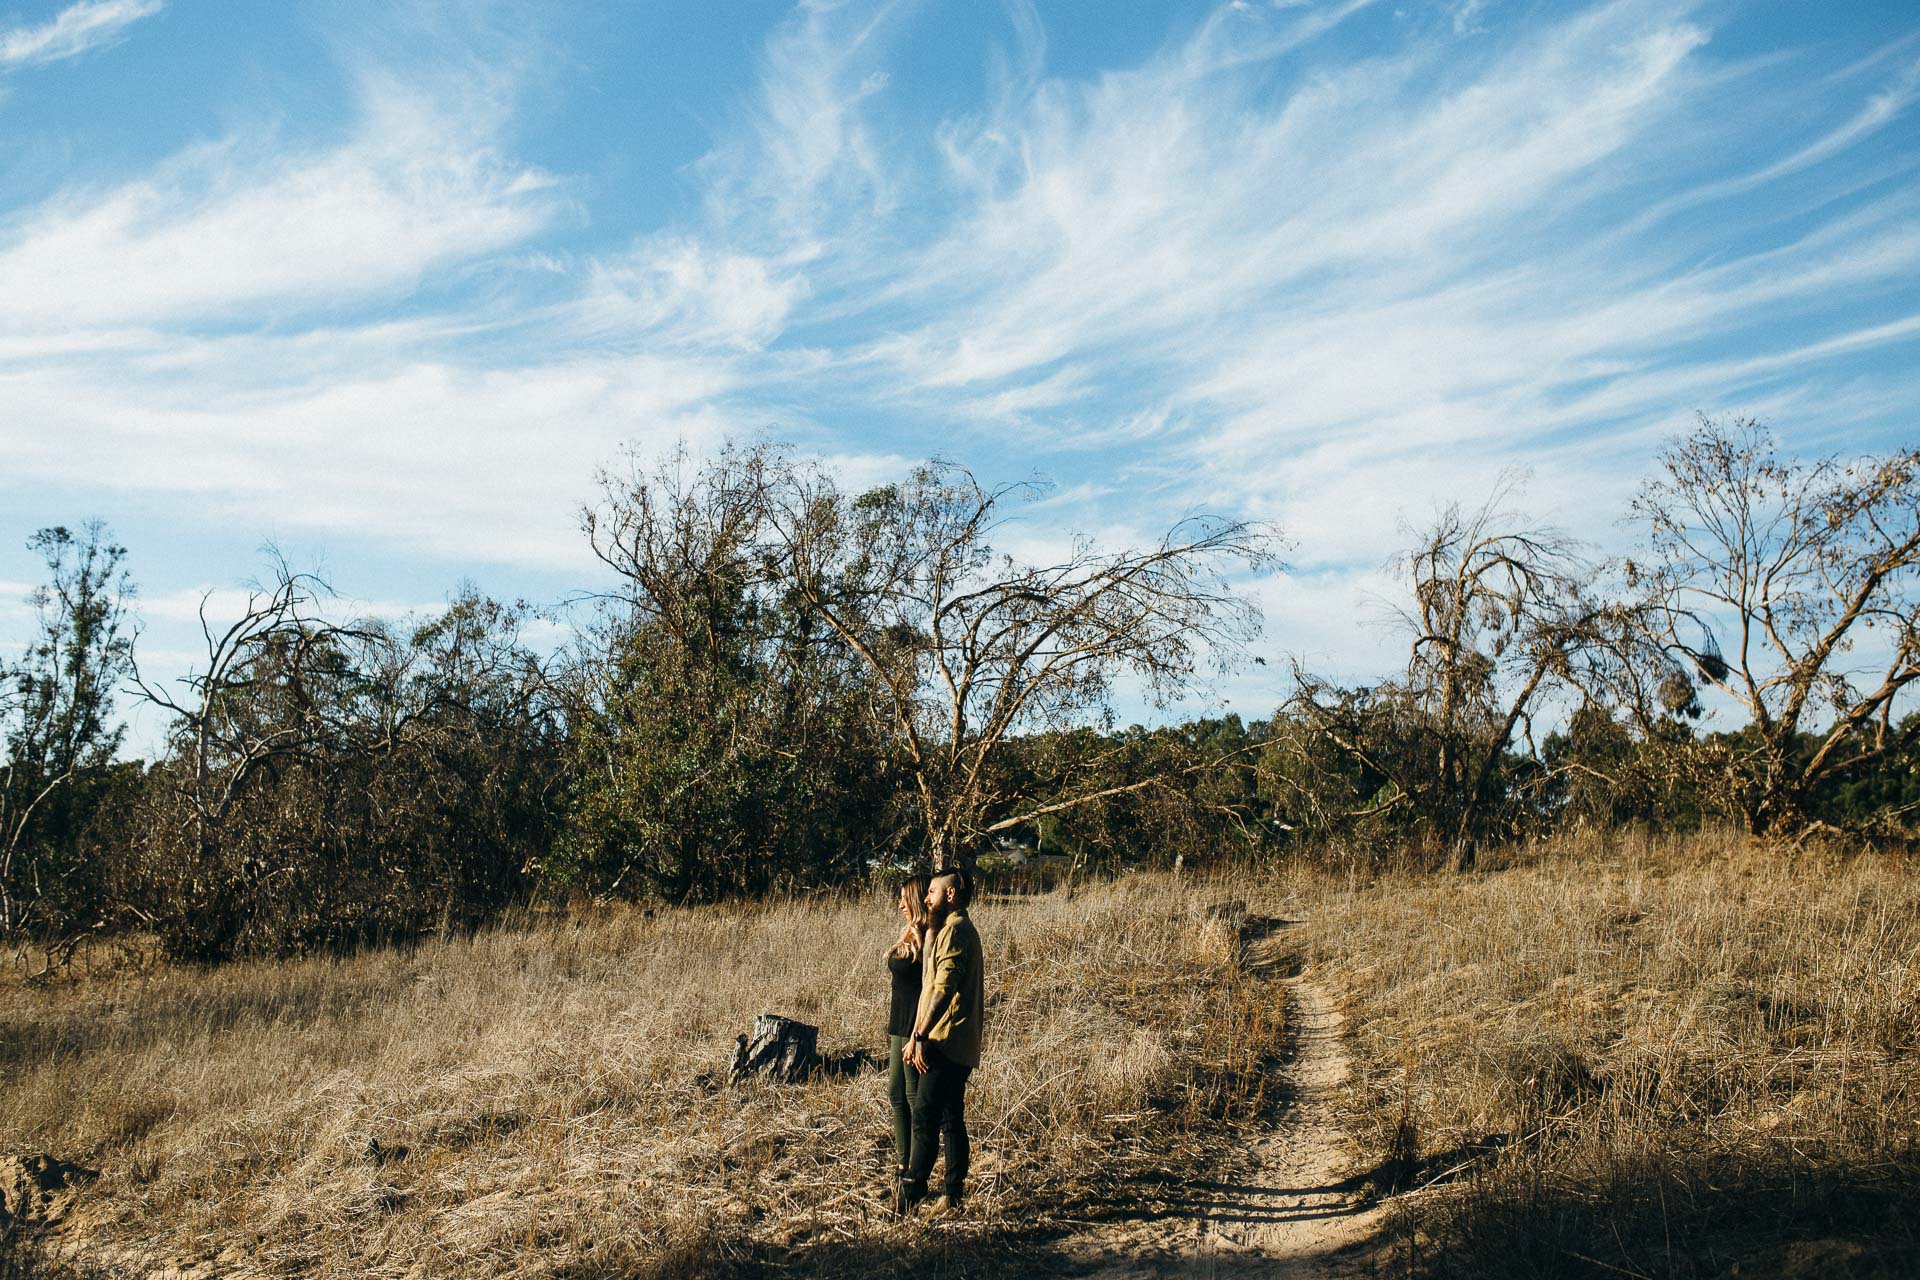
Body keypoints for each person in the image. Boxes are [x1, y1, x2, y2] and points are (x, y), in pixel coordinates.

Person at [897, 867, 985, 1219]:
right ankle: (952, 1195)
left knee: (925, 1112)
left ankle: (912, 1191)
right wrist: (916, 1034)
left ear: (950, 895)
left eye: (932, 892)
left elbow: (943, 990)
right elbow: (930, 987)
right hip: (948, 1039)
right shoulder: (946, 930)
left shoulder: (957, 932)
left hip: (947, 1040)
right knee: (950, 1116)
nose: (926, 898)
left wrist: (921, 1035)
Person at [885, 875, 932, 1182]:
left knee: (914, 1095)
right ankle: (903, 1160)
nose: (900, 904)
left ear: (915, 900)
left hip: (914, 1025)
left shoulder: (928, 935)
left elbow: (929, 987)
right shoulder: (910, 932)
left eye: (904, 898)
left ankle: (916, 1164)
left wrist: (918, 1036)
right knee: (895, 1093)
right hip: (897, 1022)